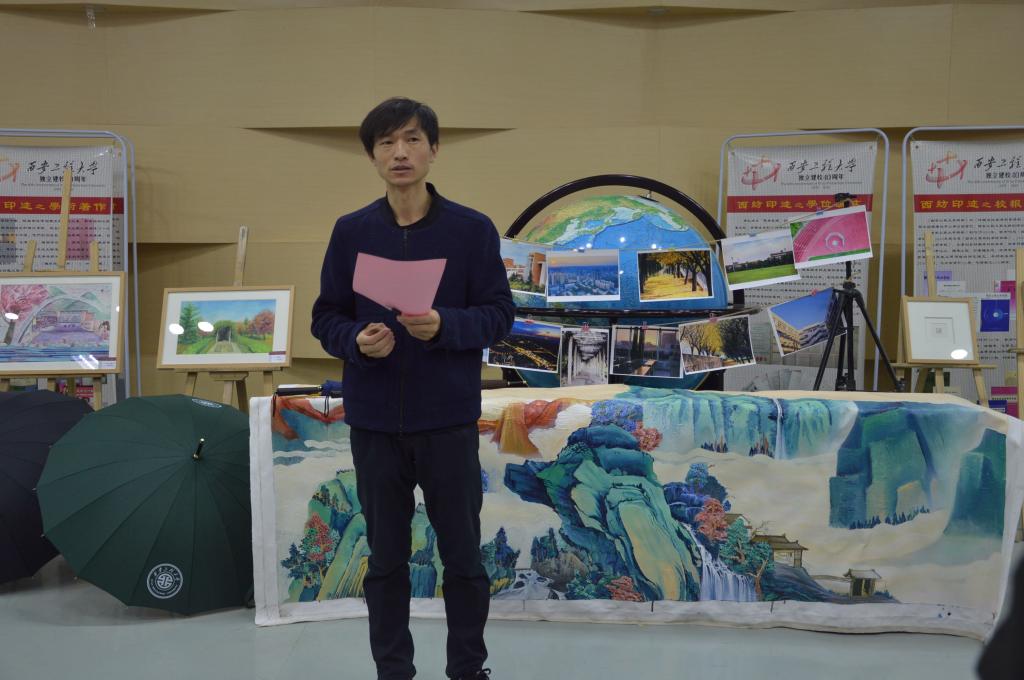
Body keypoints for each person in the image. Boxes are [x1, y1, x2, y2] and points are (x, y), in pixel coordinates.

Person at [311, 97, 514, 680]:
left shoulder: (470, 229)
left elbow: (500, 315)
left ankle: (468, 670)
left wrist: (446, 325)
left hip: (447, 421)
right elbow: (326, 317)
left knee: (463, 558)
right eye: (386, 142)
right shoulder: (352, 231)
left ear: (433, 149)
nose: (399, 152)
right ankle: (393, 671)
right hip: (375, 423)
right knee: (385, 561)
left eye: (412, 139)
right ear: (372, 156)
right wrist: (356, 340)